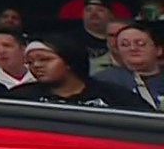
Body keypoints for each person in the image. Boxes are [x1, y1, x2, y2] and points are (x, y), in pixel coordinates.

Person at [10, 33, 156, 111]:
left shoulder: (114, 95)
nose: (36, 66)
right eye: (30, 62)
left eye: (45, 59)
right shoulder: (20, 97)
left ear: (69, 61)